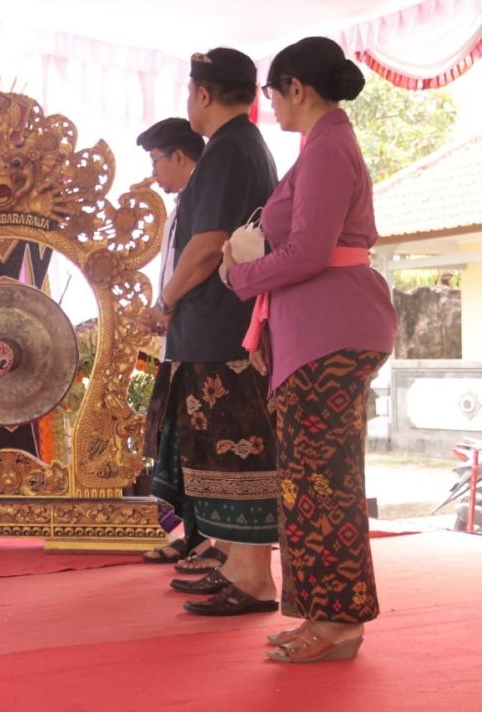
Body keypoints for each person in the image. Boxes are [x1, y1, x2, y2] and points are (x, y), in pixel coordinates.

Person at [220, 37, 397, 662]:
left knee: (324, 484)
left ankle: (341, 623)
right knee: (308, 484)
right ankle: (324, 615)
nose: (270, 104)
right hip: (317, 333)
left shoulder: (327, 150)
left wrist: (240, 274)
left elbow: (309, 253)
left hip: (332, 333)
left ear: (296, 87)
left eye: (272, 93)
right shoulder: (319, 148)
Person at [141, 48, 281, 615]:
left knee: (235, 451)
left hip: (222, 332)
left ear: (202, 94)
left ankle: (252, 579)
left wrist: (165, 302)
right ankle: (236, 565)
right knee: (220, 454)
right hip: (220, 329)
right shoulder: (240, 146)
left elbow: (205, 248)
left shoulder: (228, 150)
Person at [133, 118, 226, 571]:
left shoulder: (201, 207)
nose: (154, 173)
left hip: (202, 337)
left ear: (180, 158)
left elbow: (200, 264)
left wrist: (164, 305)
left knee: (204, 447)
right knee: (185, 447)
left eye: (156, 162)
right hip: (179, 338)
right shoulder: (182, 207)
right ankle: (191, 535)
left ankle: (213, 541)